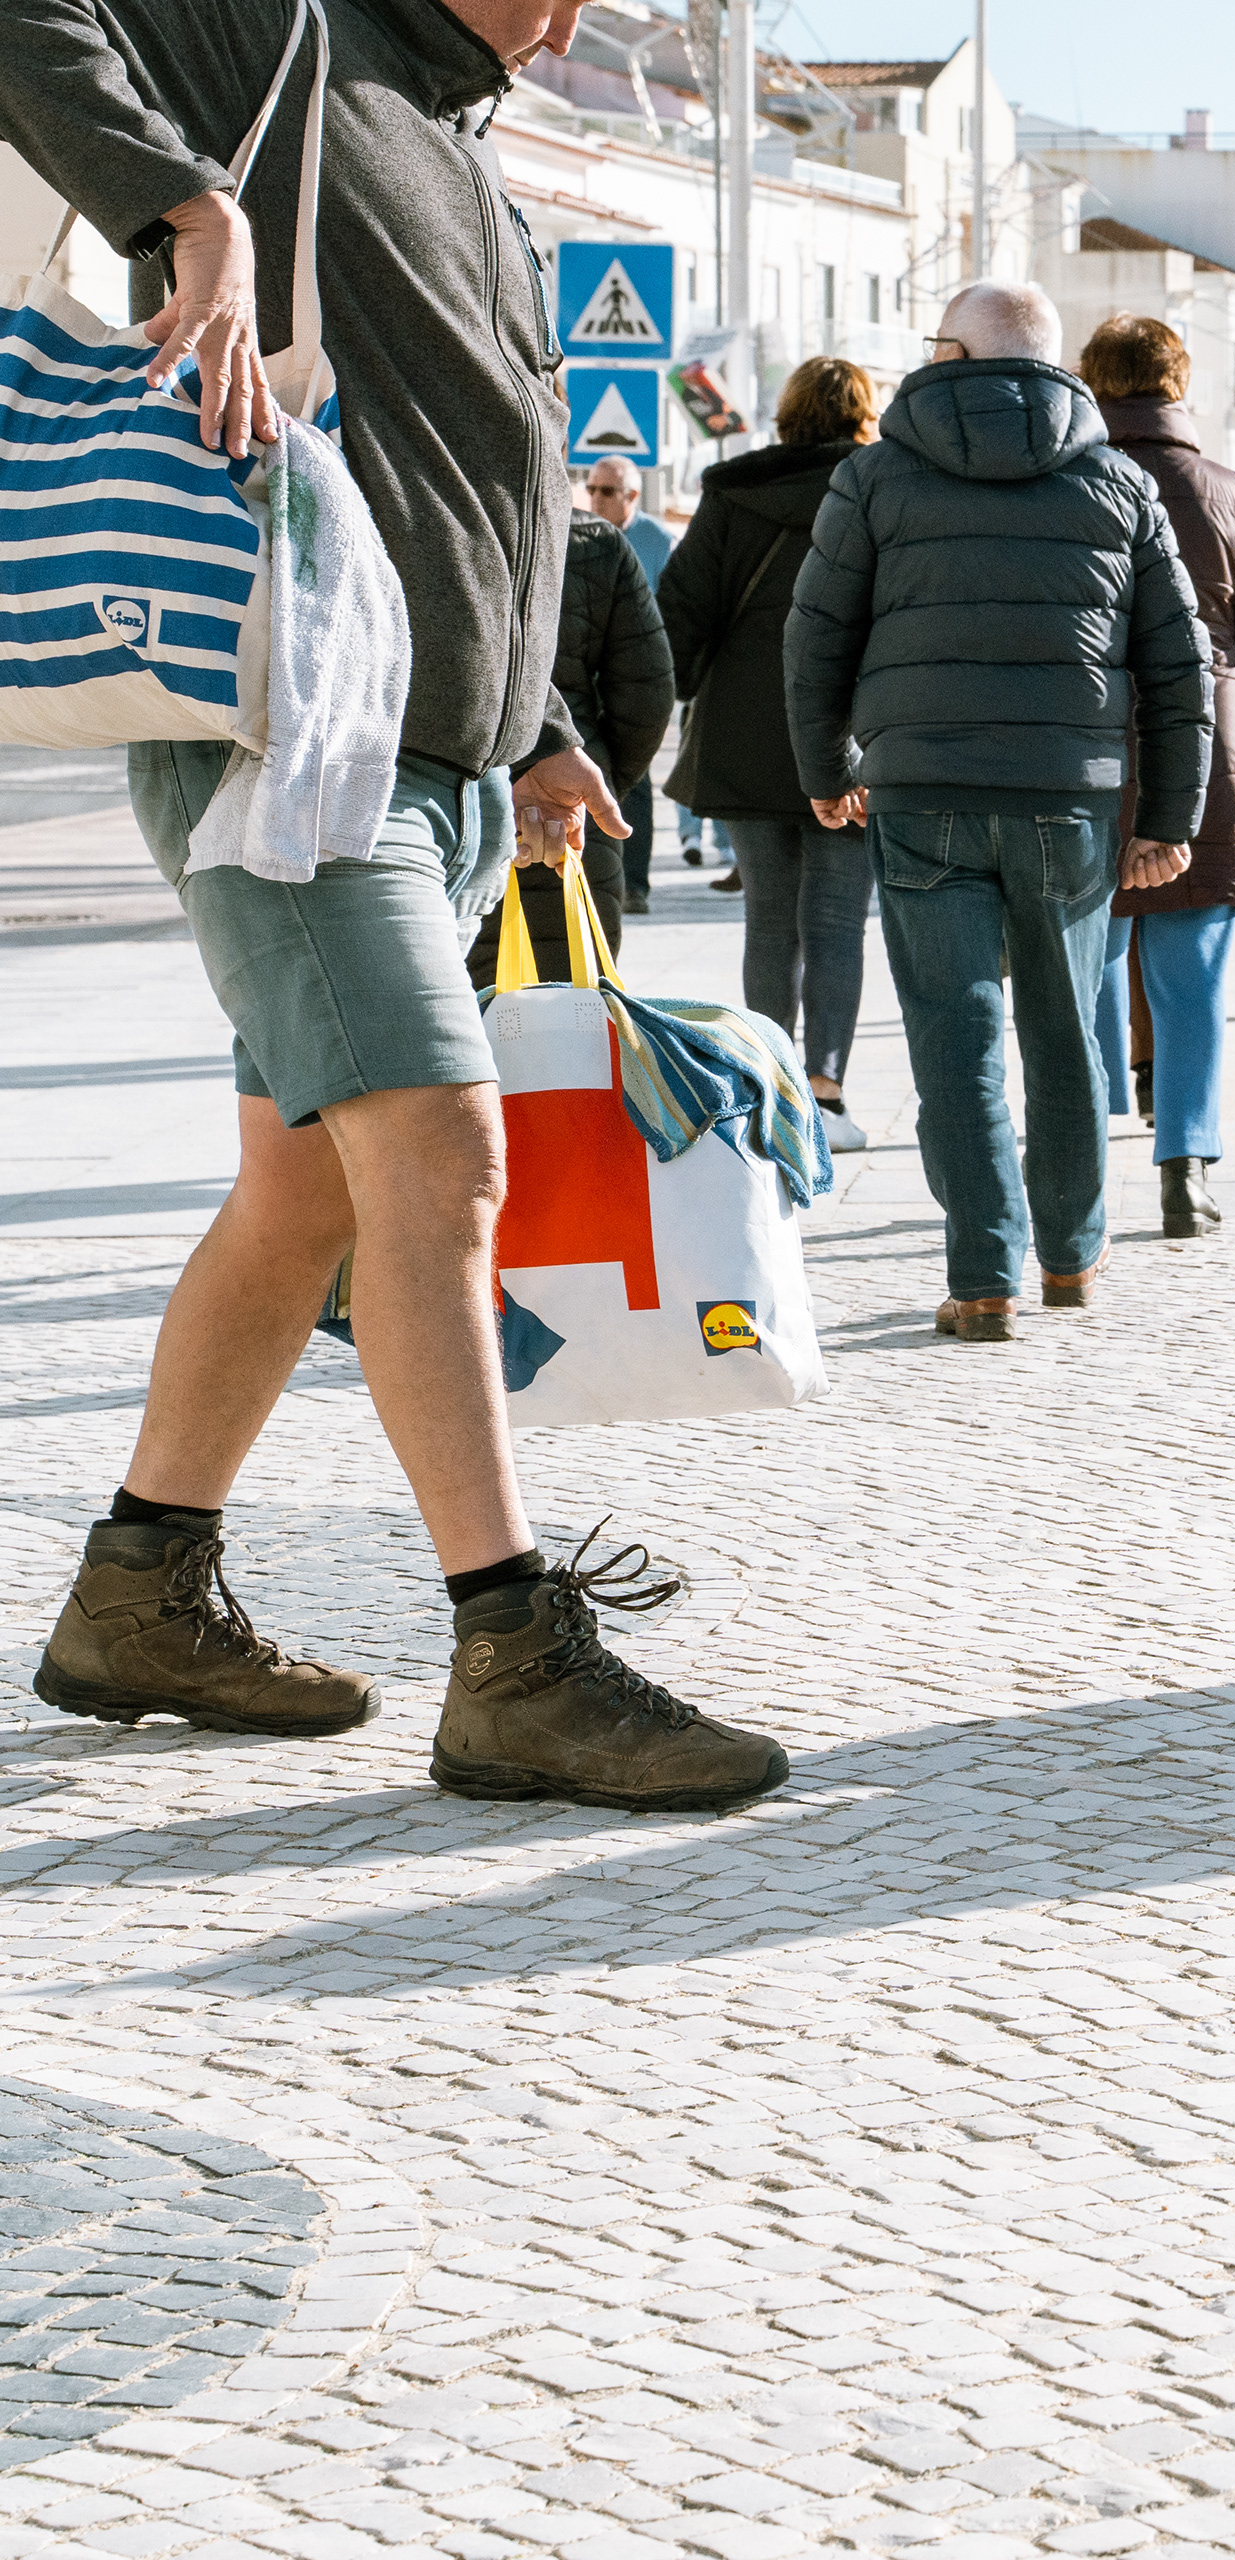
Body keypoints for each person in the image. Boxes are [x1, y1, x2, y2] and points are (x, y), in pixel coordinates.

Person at [5, 0, 789, 1813]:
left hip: (441, 763)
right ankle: (516, 1658)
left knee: (302, 1194)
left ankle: (139, 1602)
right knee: (438, 1154)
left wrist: (539, 723)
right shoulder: (276, 30)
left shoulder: (458, 141)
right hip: (299, 751)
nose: (575, 17)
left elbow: (474, 490)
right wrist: (184, 209)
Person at [784, 282, 1210, 1342]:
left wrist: (826, 767)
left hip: (922, 789)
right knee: (1065, 1031)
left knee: (953, 1035)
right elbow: (1178, 663)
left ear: (952, 355)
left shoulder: (875, 475)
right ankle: (1070, 1255)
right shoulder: (1117, 482)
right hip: (1068, 799)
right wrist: (1171, 819)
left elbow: (816, 634)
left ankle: (983, 1278)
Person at [1078, 315, 1235, 1241]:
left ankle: (1084, 1153)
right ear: (1178, 385)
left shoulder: (1070, 483)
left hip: (1087, 734)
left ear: (1093, 385)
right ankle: (1186, 1170)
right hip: (1212, 735)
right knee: (1192, 964)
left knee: (1085, 955)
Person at [661, 355, 883, 1152]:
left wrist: (671, 695)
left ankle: (770, 1087)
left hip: (745, 730)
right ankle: (826, 1093)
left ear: (787, 416)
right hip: (852, 728)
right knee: (837, 922)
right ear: (863, 417)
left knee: (768, 920)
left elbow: (681, 610)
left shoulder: (733, 493)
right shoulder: (883, 488)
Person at [466, 492, 668, 970]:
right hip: (571, 793)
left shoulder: (443, 516)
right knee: (571, 985)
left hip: (452, 791)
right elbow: (647, 692)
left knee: (459, 989)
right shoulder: (595, 541)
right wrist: (600, 778)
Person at [572, 458, 667, 912]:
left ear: (632, 495)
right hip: (584, 682)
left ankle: (635, 885)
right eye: (592, 489)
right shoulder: (577, 537)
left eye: (607, 491)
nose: (596, 498)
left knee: (635, 784)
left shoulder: (657, 541)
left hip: (632, 680)